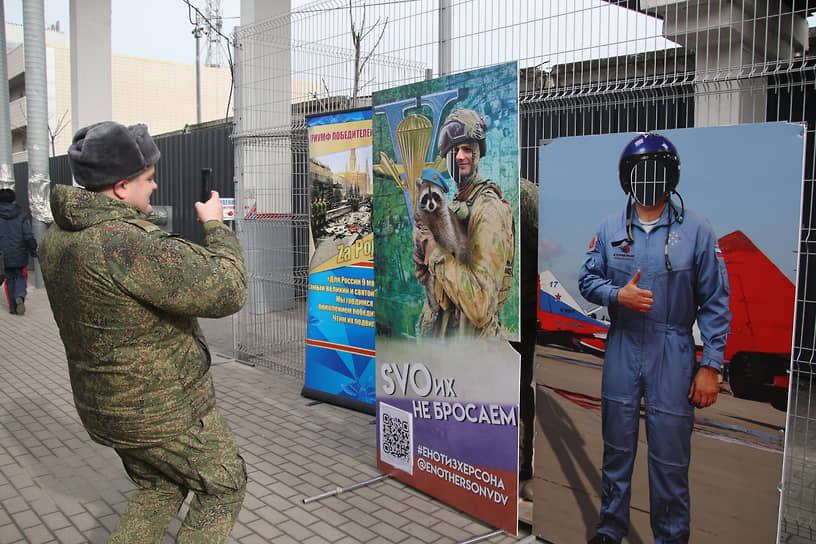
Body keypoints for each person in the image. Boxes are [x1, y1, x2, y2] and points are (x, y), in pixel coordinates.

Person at [38, 121, 248, 543]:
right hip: (162, 414)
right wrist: (215, 226)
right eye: (148, 179)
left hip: (107, 408)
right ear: (120, 188)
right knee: (225, 485)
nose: (154, 187)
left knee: (161, 485)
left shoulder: (58, 238)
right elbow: (229, 289)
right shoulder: (124, 243)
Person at [578, 133, 731, 544]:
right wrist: (618, 295)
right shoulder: (610, 228)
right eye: (639, 171)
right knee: (617, 450)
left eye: (657, 171)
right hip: (623, 347)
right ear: (627, 178)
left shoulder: (696, 231)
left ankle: (669, 537)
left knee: (669, 459)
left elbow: (715, 300)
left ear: (672, 176)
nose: (648, 180)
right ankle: (610, 530)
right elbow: (587, 280)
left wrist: (711, 365)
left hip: (673, 352)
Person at [413, 108, 515, 338]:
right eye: (454, 150)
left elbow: (479, 307)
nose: (460, 156)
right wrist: (423, 260)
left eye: (467, 149)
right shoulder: (457, 205)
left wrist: (433, 251)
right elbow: (438, 283)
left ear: (478, 154)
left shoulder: (488, 208)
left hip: (472, 350)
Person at [0, 188, 37, 315]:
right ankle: (20, 295)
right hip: (19, 252)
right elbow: (28, 235)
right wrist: (33, 250)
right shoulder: (21, 215)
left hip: (3, 255)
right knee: (20, 276)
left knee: (9, 279)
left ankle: (12, 308)